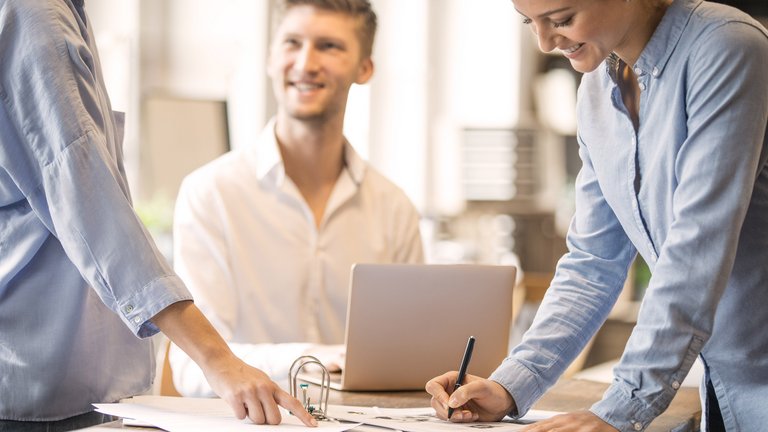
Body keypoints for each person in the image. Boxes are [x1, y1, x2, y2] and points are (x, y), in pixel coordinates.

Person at [426, 0, 768, 431]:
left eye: (562, 20)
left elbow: (699, 247)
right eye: (529, 23)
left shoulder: (726, 46)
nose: (546, 42)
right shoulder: (597, 89)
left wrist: (620, 408)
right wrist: (511, 384)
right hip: (721, 385)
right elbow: (593, 262)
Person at [0, 0, 316, 430]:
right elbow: (89, 200)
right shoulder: (34, 15)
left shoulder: (61, 14)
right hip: (39, 381)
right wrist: (218, 359)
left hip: (71, 380)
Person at [168, 0, 424, 397]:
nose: (305, 63)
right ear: (271, 58)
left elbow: (410, 357)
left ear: (364, 69)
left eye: (329, 47)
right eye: (292, 43)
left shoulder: (394, 208)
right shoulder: (211, 194)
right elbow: (192, 368)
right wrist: (316, 359)